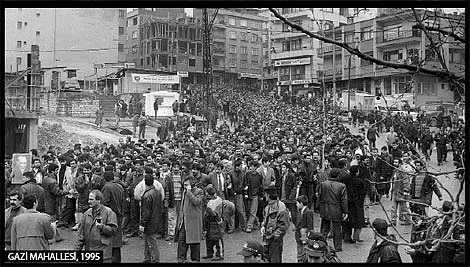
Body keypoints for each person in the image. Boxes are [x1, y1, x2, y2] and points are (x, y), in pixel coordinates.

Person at [74, 190, 118, 263]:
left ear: (99, 200)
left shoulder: (108, 213)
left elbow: (114, 230)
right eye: (89, 199)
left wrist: (102, 227)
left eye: (91, 199)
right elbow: (81, 235)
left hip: (104, 254)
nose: (89, 201)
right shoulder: (86, 214)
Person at [317, 169, 348, 252]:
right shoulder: (342, 186)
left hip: (325, 208)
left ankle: (321, 243)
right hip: (336, 209)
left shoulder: (323, 184)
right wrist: (345, 211)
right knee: (337, 229)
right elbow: (344, 200)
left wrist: (318, 207)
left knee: (324, 228)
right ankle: (337, 246)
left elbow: (319, 196)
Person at [175, 177, 204, 263]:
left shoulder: (199, 191)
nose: (185, 186)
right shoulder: (184, 192)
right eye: (184, 185)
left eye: (187, 184)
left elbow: (197, 202)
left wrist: (189, 192)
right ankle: (181, 258)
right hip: (184, 220)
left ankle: (195, 259)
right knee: (181, 240)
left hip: (193, 221)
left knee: (194, 242)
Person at [260, 186, 289, 263]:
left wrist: (274, 237)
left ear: (269, 195)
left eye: (265, 194)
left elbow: (283, 227)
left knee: (275, 260)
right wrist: (263, 226)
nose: (264, 196)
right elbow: (266, 219)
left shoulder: (281, 208)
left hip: (275, 241)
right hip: (267, 239)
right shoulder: (268, 206)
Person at [102, 171, 126, 263]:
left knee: (110, 242)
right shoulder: (119, 187)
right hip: (118, 216)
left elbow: (104, 203)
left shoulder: (107, 187)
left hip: (110, 217)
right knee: (117, 242)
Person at [140, 174, 163, 263]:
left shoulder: (146, 196)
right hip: (156, 219)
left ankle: (155, 259)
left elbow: (146, 212)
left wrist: (142, 223)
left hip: (150, 221)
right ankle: (147, 257)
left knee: (151, 241)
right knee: (148, 240)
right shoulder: (157, 192)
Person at [342, 165, 366, 243]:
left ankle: (347, 237)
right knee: (358, 222)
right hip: (357, 204)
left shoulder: (344, 179)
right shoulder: (360, 181)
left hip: (346, 203)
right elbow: (363, 193)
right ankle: (356, 237)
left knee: (347, 221)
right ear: (356, 172)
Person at [203, 187, 224, 261]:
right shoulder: (212, 201)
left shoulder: (218, 201)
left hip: (216, 222)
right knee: (208, 239)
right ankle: (209, 253)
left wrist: (210, 212)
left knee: (217, 238)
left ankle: (219, 254)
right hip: (209, 222)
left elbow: (217, 214)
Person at [294, 195, 315, 262]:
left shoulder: (308, 212)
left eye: (297, 203)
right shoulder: (299, 211)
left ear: (301, 203)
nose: (296, 205)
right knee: (299, 253)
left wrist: (309, 236)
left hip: (304, 236)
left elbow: (310, 225)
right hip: (298, 236)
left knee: (304, 253)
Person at [245, 161, 263, 233]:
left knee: (253, 211)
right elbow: (246, 183)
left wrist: (261, 195)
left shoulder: (259, 176)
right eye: (251, 166)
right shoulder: (247, 174)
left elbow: (260, 186)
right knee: (249, 210)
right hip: (248, 194)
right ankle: (255, 223)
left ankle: (249, 226)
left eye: (253, 166)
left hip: (255, 195)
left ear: (256, 167)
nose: (252, 168)